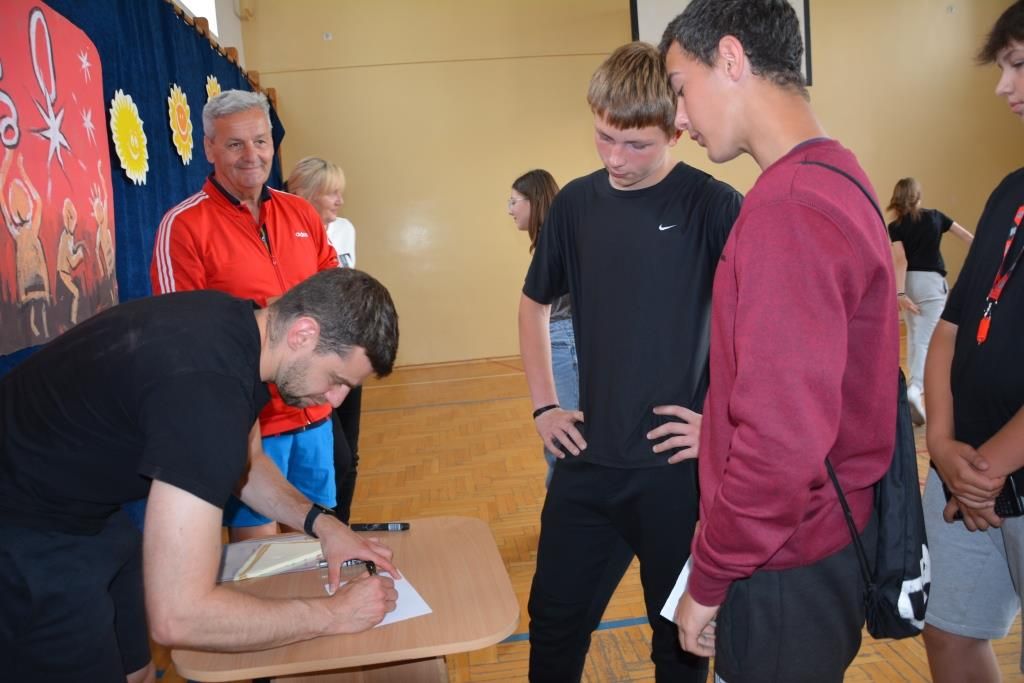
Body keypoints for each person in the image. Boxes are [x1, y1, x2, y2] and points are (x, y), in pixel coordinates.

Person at [0, 267, 401, 683]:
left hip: (85, 508)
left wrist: (322, 524)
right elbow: (179, 616)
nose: (336, 401)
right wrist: (332, 615)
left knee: (137, 672)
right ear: (303, 333)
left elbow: (248, 466)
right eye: (336, 380)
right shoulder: (206, 393)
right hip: (23, 533)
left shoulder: (238, 329)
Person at [662, 2, 898, 681]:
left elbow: (780, 441)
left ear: (730, 59)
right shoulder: (836, 173)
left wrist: (709, 576)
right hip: (815, 541)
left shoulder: (790, 207)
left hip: (786, 563)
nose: (679, 117)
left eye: (680, 88)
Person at [520, 42, 742, 682]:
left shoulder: (714, 206)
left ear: (677, 129)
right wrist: (544, 405)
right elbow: (533, 304)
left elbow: (759, 332)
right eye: (604, 138)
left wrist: (719, 425)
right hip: (587, 462)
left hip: (674, 475)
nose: (615, 159)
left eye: (636, 145)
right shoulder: (575, 205)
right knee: (553, 626)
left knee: (680, 645)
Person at [151, 90, 339, 541]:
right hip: (249, 430)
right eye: (235, 144)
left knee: (314, 548)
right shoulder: (183, 226)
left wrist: (332, 383)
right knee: (261, 562)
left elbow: (337, 298)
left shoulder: (301, 213)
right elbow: (181, 339)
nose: (251, 155)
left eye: (260, 141)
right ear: (209, 147)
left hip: (313, 417)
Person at [921, 3, 1024, 680]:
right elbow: (953, 327)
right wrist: (940, 444)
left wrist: (981, 472)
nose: (1002, 86)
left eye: (1018, 64)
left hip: (987, 473)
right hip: (965, 471)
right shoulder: (1009, 192)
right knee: (949, 630)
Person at [287, 156, 362, 522]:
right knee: (335, 457)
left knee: (350, 456)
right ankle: (318, 530)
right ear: (305, 193)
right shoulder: (287, 233)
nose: (339, 201)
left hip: (345, 352)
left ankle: (341, 527)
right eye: (331, 193)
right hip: (311, 363)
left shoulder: (345, 229)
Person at [887, 177, 973, 425]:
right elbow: (969, 238)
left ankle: (914, 388)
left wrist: (900, 293)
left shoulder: (895, 226)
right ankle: (916, 390)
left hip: (909, 283)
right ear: (918, 195)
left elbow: (900, 260)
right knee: (928, 339)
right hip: (931, 284)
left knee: (916, 337)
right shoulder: (936, 217)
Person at [508, 169, 570, 488]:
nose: (510, 210)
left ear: (533, 201)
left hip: (563, 341)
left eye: (514, 201)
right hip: (562, 339)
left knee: (563, 438)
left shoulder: (555, 240)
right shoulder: (554, 239)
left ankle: (564, 511)